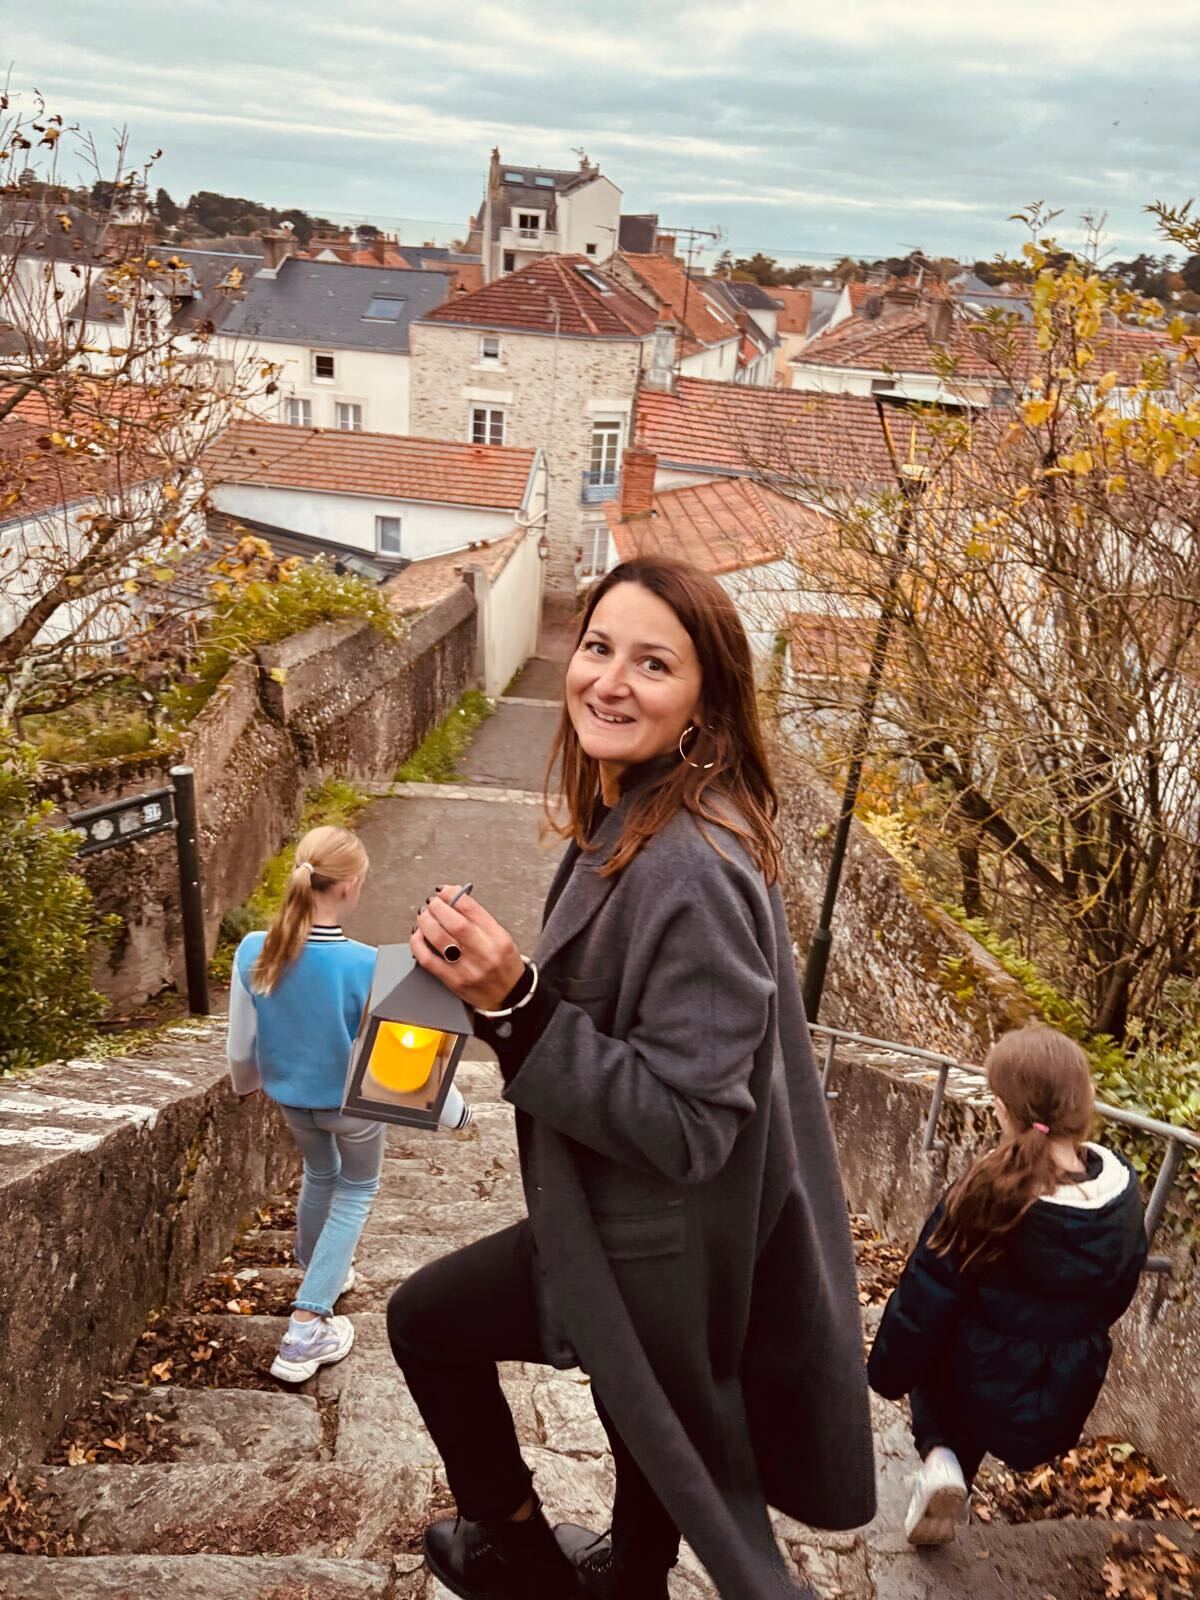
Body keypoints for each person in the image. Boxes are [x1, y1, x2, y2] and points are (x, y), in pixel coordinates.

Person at [387, 557, 876, 1600]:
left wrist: (518, 1003)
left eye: (653, 663)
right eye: (599, 646)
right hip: (659, 1231)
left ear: (706, 698)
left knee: (426, 1321)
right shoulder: (646, 808)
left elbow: (692, 1125)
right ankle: (636, 1575)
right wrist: (492, 995)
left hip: (650, 1238)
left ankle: (518, 1555)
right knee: (646, 1395)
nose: (609, 679)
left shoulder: (689, 860)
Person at [868, 1024, 1147, 1546]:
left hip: (974, 1371)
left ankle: (943, 1462)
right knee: (978, 1378)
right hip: (1056, 1386)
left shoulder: (985, 1192)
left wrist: (888, 1369)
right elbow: (1118, 1293)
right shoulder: (1122, 1196)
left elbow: (926, 1294)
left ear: (1004, 1109)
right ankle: (951, 1478)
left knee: (945, 1379)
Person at [227, 824, 471, 1383]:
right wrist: (455, 1109)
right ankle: (307, 1326)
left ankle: (322, 1272)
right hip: (351, 1105)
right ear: (350, 886)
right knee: (356, 1190)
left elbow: (241, 1047)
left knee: (320, 1174)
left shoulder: (252, 950)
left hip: (291, 1100)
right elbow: (410, 1053)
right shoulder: (368, 965)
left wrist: (247, 1084)